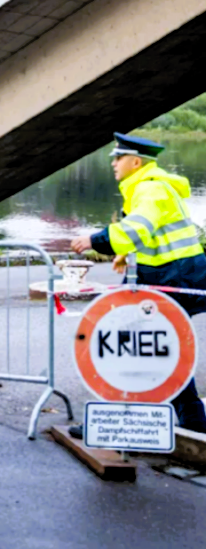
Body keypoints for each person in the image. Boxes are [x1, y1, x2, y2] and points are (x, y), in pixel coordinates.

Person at [70, 133, 206, 436]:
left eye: (118, 158)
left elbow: (137, 227)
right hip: (163, 275)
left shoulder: (148, 189)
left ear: (135, 161)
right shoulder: (148, 187)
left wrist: (94, 239)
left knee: (127, 344)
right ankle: (192, 419)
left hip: (172, 277)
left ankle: (112, 422)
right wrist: (125, 253)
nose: (113, 164)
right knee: (156, 345)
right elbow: (149, 234)